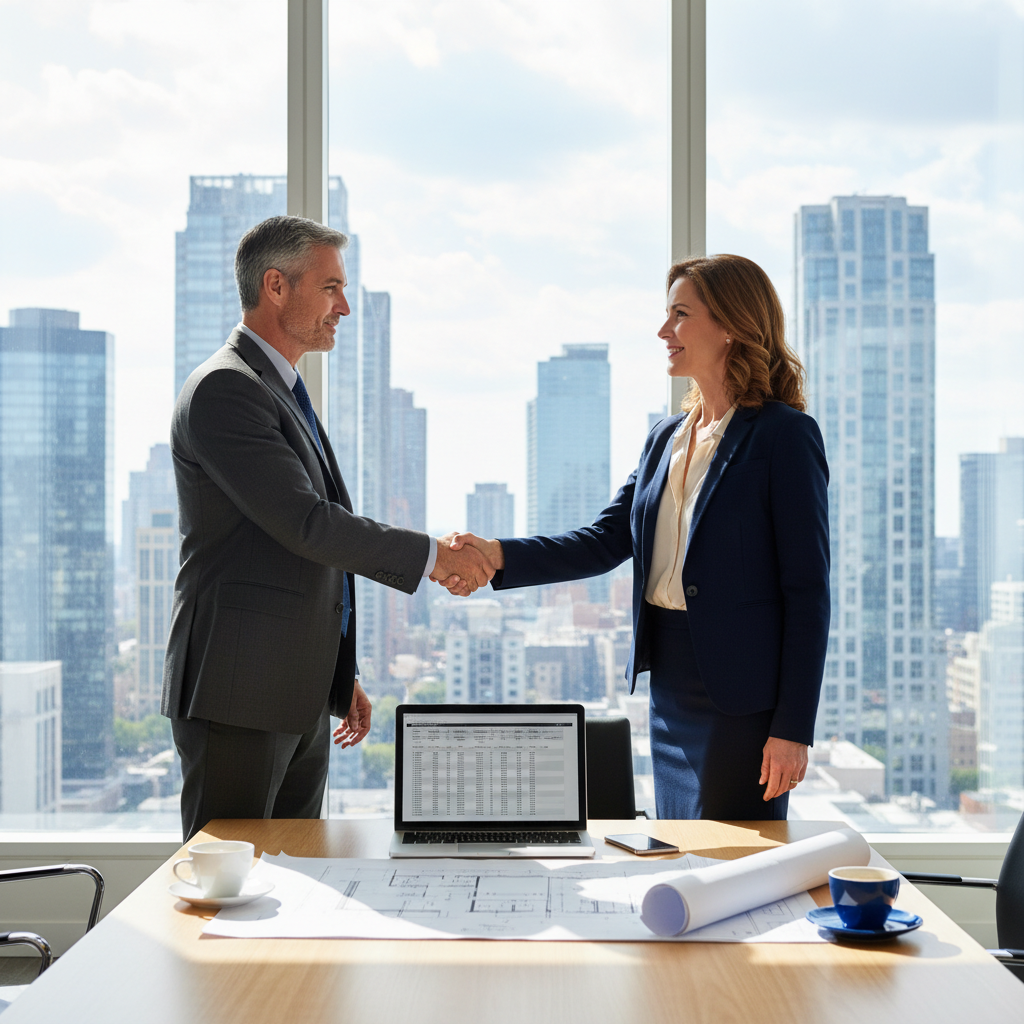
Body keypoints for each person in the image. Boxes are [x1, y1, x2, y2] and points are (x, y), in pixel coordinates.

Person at [446, 254, 829, 820]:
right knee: (681, 847)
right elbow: (604, 539)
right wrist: (497, 555)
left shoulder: (784, 436)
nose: (663, 330)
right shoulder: (665, 437)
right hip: (669, 683)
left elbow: (808, 592)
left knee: (735, 857)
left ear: (731, 326)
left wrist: (793, 728)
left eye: (680, 315)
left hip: (742, 700)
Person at [162, 215, 494, 841]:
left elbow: (297, 556)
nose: (343, 306)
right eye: (331, 288)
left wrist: (338, 677)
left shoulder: (279, 390)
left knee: (295, 879)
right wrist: (434, 555)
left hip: (296, 693)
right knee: (227, 886)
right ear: (276, 286)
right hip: (238, 696)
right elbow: (309, 525)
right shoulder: (225, 389)